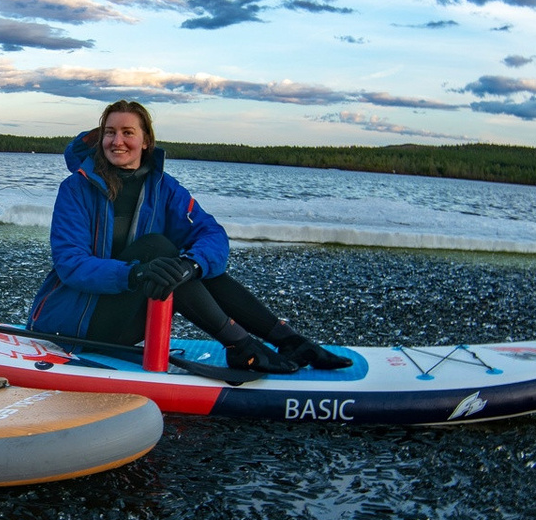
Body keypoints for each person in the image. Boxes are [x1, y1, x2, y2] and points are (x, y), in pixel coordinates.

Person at [28, 99, 351, 374]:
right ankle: (241, 345)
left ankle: (290, 341)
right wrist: (135, 273)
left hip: (123, 320)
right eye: (110, 133)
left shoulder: (165, 189)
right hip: (72, 326)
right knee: (159, 249)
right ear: (100, 140)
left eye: (128, 133)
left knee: (188, 263)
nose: (118, 141)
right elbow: (71, 263)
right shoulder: (77, 189)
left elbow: (211, 234)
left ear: (146, 141)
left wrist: (192, 267)